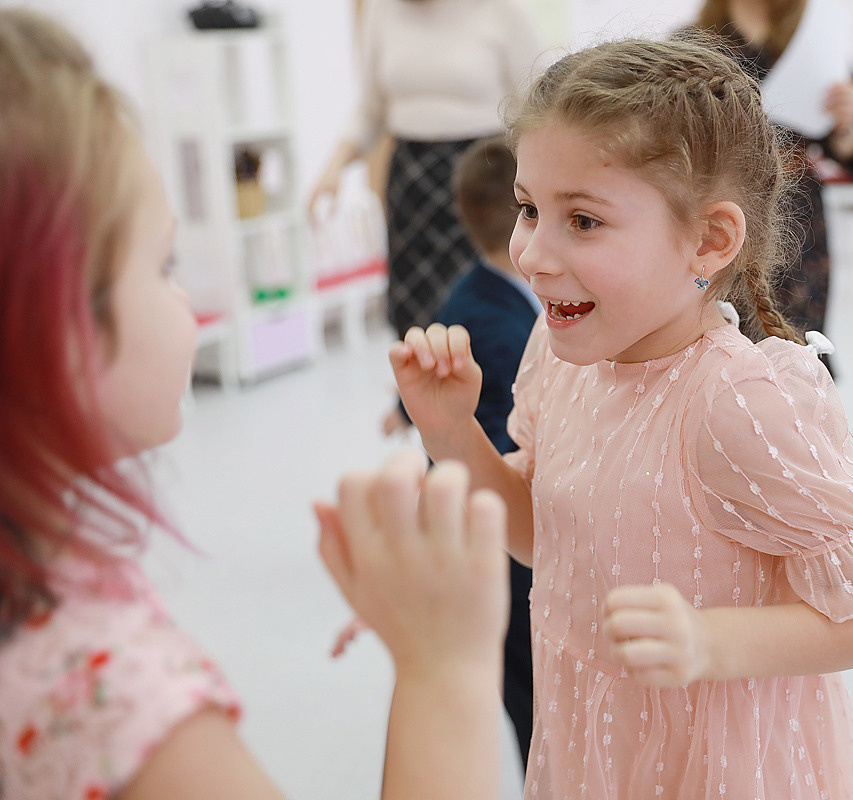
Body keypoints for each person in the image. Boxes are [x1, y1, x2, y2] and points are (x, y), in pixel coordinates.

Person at [390, 36, 853, 799]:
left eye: (583, 221)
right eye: (529, 209)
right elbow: (550, 539)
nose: (533, 254)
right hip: (594, 753)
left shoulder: (735, 405)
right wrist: (450, 433)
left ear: (709, 240)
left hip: (717, 770)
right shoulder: (561, 357)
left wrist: (710, 640)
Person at [0, 10, 510, 799]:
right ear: (55, 329)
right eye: (164, 265)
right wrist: (444, 669)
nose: (182, 297)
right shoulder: (108, 696)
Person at [383, 134, 540, 766]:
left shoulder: (484, 295)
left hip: (497, 535)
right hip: (501, 549)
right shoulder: (500, 325)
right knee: (534, 701)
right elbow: (500, 438)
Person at [308, 0, 544, 365]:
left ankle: (504, 401)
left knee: (489, 320)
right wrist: (333, 169)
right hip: (412, 186)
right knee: (417, 326)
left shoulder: (504, 9)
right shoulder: (381, 10)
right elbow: (371, 110)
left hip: (486, 187)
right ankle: (422, 398)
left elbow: (538, 104)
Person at [692, 0, 853, 379]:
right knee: (720, 331)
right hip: (721, 205)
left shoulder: (817, 36)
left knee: (797, 335)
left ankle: (795, 410)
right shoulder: (694, 41)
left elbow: (848, 150)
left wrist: (847, 121)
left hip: (797, 207)